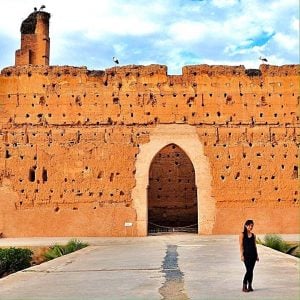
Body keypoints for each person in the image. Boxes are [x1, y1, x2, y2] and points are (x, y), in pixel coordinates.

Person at [239, 219, 259, 292]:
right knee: (249, 270)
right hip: (246, 255)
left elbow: (255, 246)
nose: (251, 227)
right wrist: (241, 255)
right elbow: (241, 246)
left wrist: (257, 255)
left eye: (252, 226)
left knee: (251, 271)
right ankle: (244, 286)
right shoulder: (242, 234)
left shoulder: (253, 235)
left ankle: (250, 286)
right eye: (250, 225)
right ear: (246, 225)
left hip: (253, 255)